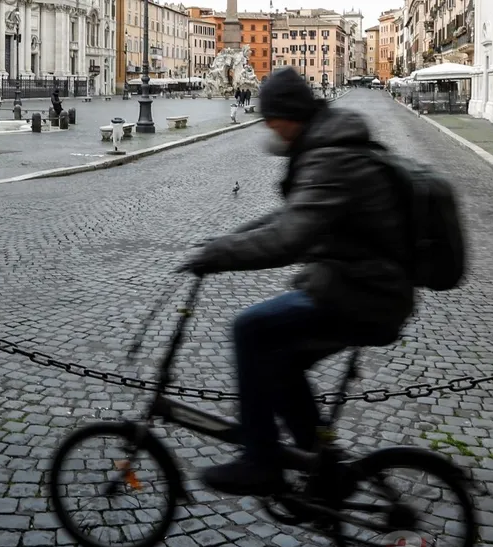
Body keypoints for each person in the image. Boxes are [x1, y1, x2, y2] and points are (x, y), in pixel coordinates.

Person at [177, 67, 414, 496]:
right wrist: (227, 241)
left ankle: (260, 461)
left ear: (289, 115)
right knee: (280, 362)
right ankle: (322, 467)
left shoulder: (331, 155)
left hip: (364, 293)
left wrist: (221, 255)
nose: (270, 130)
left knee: (250, 328)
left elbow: (289, 237)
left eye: (272, 120)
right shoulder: (326, 142)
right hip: (360, 285)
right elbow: (293, 216)